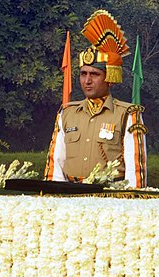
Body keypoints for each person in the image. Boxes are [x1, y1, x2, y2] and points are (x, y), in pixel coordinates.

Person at [44, 10, 148, 187]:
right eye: (83, 74)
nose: (87, 81)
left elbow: (134, 169)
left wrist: (132, 202)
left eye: (95, 74)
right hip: (69, 194)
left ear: (110, 78)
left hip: (110, 195)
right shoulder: (67, 113)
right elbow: (56, 163)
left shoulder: (127, 114)